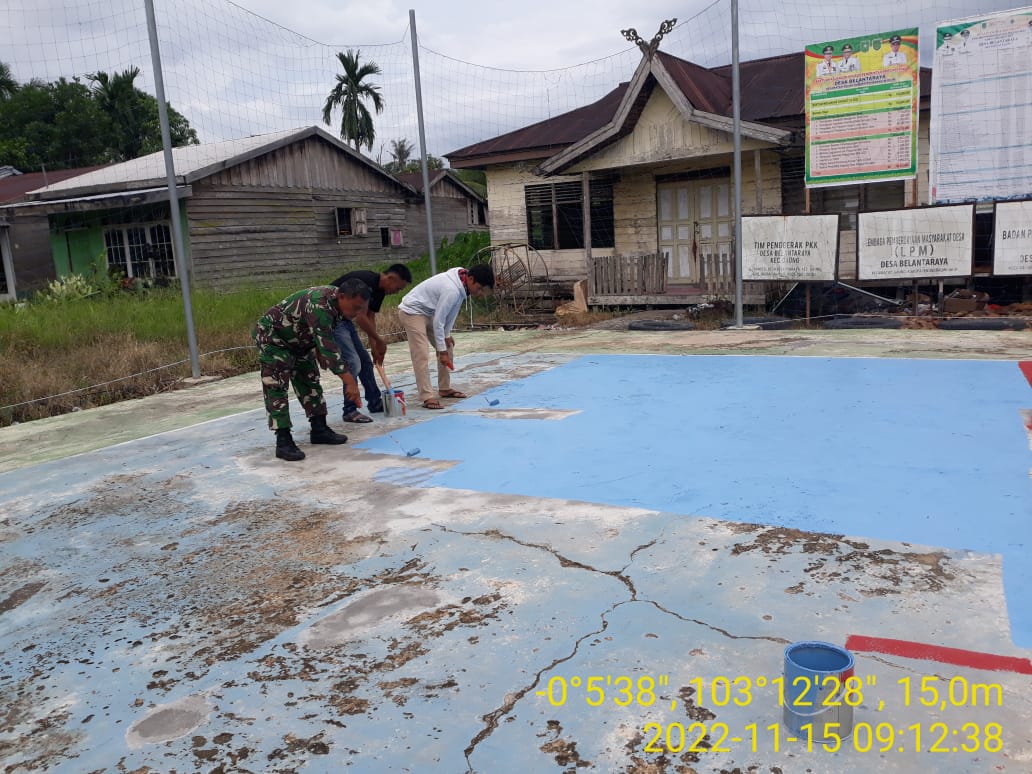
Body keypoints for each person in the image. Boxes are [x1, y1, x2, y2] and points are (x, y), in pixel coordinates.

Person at [253, 280, 371, 461]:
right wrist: (350, 382)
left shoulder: (338, 303)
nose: (356, 314)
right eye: (355, 308)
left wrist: (317, 348)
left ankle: (319, 429)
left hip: (300, 340)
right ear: (342, 297)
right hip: (274, 338)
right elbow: (331, 352)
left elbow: (323, 334)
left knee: (310, 379)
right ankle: (283, 441)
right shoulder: (319, 304)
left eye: (360, 309)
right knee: (276, 386)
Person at [397, 264, 495, 410]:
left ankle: (444, 388)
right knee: (421, 353)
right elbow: (439, 321)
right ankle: (426, 396)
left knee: (448, 345)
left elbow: (451, 314)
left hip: (429, 312)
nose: (479, 293)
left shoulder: (462, 284)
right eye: (479, 288)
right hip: (412, 311)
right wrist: (441, 351)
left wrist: (446, 337)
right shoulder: (452, 289)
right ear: (471, 278)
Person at [329, 263, 412, 423]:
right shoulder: (365, 281)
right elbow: (361, 318)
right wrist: (380, 340)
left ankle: (374, 402)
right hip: (331, 318)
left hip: (345, 320)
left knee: (366, 362)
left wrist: (374, 347)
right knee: (353, 361)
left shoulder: (380, 290)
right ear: (391, 278)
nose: (396, 292)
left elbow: (370, 317)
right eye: (398, 288)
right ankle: (350, 410)